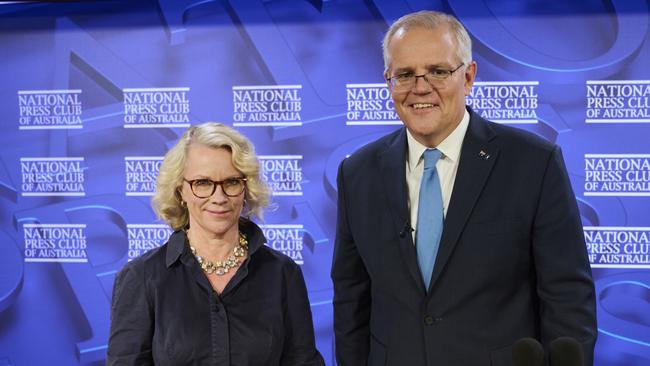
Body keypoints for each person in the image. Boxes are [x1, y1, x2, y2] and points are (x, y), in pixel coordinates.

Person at [331, 10, 597, 366]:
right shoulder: (357, 173)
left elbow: (567, 298)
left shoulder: (533, 163)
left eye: (438, 71)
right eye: (405, 74)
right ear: (388, 82)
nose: (420, 88)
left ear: (468, 77)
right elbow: (351, 300)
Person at [108, 122, 324, 365]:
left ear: (246, 189)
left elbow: (302, 361)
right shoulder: (142, 277)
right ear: (181, 191)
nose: (218, 197)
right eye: (202, 183)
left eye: (231, 182)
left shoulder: (282, 273)